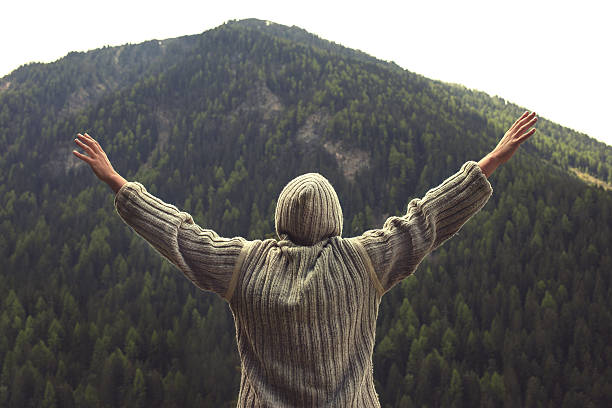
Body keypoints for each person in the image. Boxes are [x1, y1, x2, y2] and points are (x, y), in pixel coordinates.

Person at [73, 111, 538, 406]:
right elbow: (426, 220)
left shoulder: (244, 266)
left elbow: (180, 235)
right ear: (335, 219)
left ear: (281, 218)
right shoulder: (364, 263)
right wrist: (490, 161)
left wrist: (118, 182)